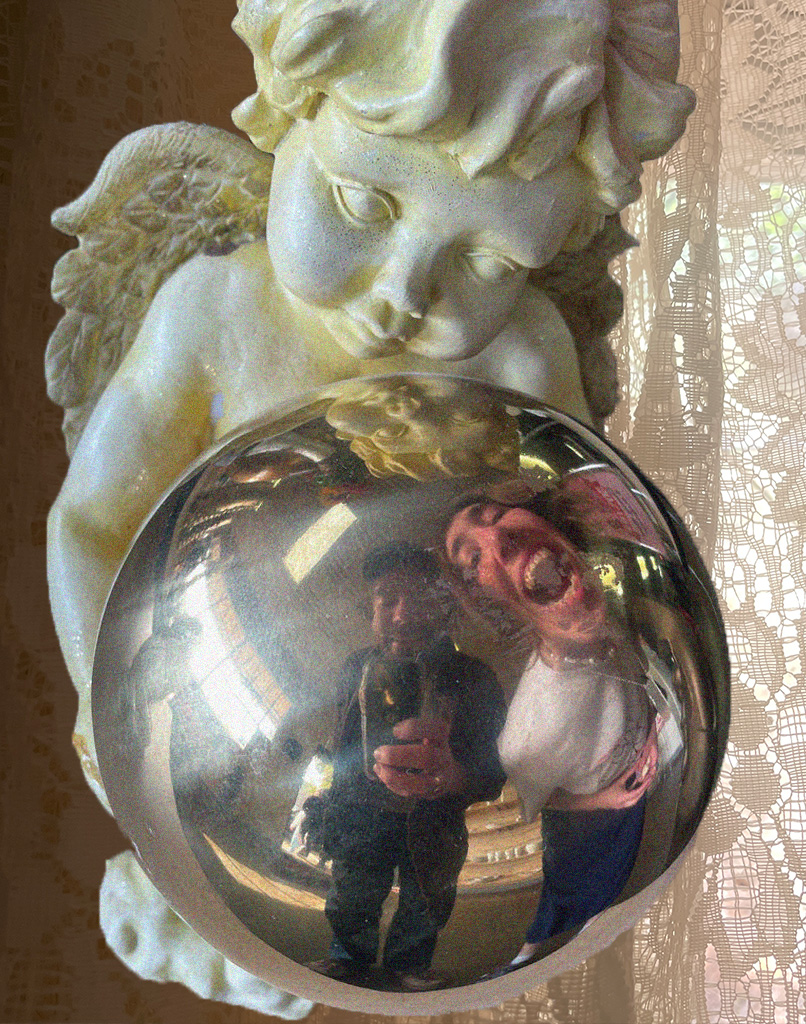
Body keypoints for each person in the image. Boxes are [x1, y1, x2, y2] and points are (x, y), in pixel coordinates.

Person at [47, 0, 694, 800]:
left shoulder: (524, 356)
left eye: (488, 263)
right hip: (220, 759)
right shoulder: (218, 312)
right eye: (361, 203)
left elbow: (605, 554)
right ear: (288, 114)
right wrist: (114, 713)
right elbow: (91, 523)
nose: (403, 292)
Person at [444, 491, 659, 970]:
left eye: (496, 514)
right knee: (563, 901)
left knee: (616, 891)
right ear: (491, 600)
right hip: (585, 826)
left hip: (631, 800)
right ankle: (527, 957)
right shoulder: (527, 732)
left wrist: (649, 732)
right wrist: (605, 800)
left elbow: (630, 683)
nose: (498, 536)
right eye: (473, 558)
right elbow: (538, 805)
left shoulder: (610, 619)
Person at [302, 542, 506, 990]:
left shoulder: (475, 678)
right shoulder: (354, 668)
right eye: (387, 598)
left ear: (442, 605)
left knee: (427, 901)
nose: (402, 614)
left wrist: (454, 777)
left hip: (436, 819)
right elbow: (342, 745)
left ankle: (408, 966)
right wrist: (332, 801)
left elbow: (494, 771)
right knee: (352, 893)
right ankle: (347, 959)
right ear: (371, 609)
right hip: (360, 812)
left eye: (418, 598)